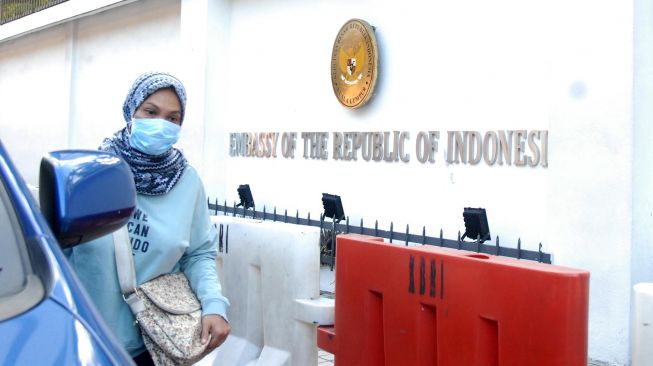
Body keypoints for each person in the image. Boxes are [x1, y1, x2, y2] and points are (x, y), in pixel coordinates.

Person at [65, 71, 230, 365]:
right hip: (81, 339)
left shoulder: (187, 182)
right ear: (132, 111)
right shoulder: (92, 172)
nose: (161, 125)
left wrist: (214, 305)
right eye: (150, 112)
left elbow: (199, 253)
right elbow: (56, 249)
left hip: (151, 344)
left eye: (172, 118)